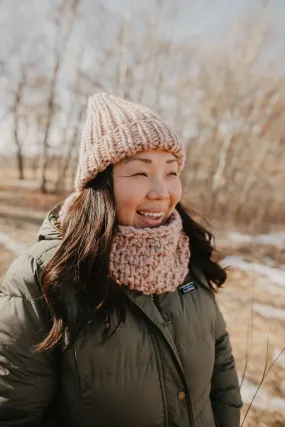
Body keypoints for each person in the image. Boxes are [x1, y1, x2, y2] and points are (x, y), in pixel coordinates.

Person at [0, 93, 242, 427]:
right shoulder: (44, 276)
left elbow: (222, 372)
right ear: (102, 184)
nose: (161, 191)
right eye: (140, 174)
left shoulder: (187, 256)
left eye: (171, 172)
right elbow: (16, 415)